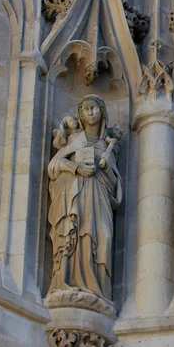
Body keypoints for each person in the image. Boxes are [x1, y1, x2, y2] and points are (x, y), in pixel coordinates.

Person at [47, 95, 122, 303]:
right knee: (74, 235)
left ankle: (97, 290)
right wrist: (76, 168)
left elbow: (115, 185)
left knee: (103, 236)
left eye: (94, 108)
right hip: (74, 196)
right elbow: (53, 167)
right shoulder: (74, 140)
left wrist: (104, 166)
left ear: (102, 112)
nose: (90, 112)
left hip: (98, 198)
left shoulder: (107, 146)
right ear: (81, 114)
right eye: (86, 109)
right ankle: (66, 281)